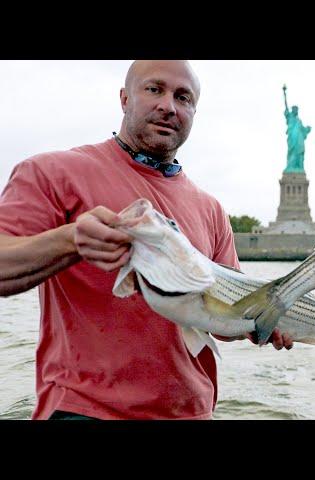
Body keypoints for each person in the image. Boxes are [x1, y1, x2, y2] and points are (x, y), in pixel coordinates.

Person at [0, 60, 293, 420]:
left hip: (193, 412)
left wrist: (262, 323)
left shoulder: (212, 209)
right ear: (124, 98)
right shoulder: (51, 172)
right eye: (154, 89)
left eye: (183, 97)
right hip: (84, 409)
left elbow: (225, 319)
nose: (168, 106)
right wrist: (71, 239)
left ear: (194, 112)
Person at [283, 85, 311, 172]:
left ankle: (299, 167)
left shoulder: (299, 121)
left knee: (299, 151)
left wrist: (307, 129)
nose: (296, 111)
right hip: (292, 137)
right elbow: (286, 106)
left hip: (299, 139)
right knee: (292, 151)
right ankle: (291, 166)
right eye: (295, 110)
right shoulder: (290, 117)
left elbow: (303, 130)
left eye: (297, 110)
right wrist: (284, 93)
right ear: (293, 110)